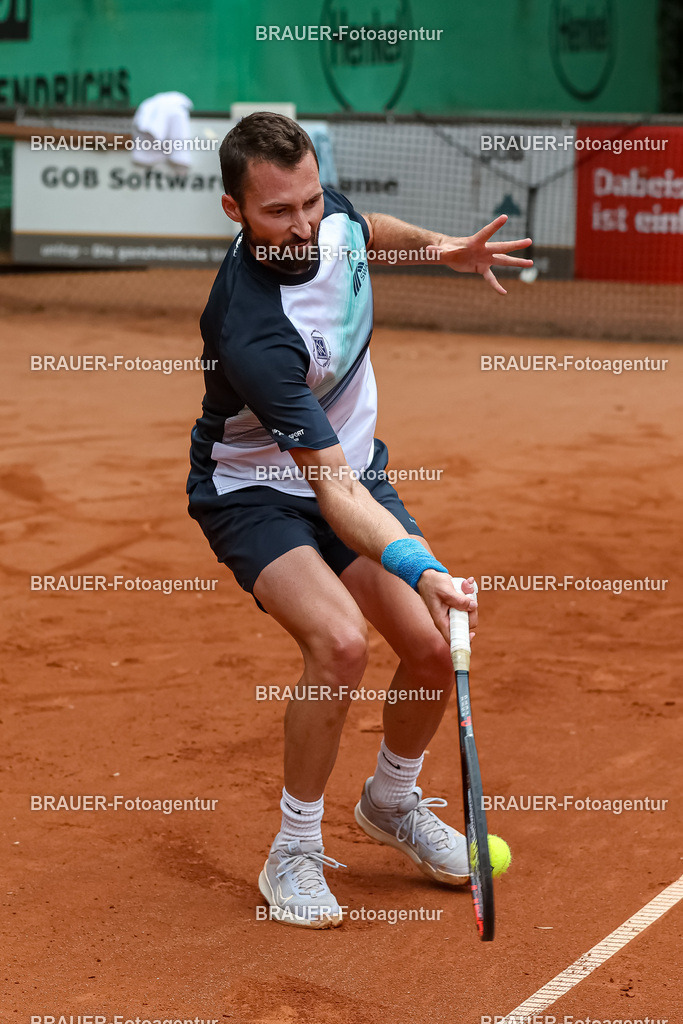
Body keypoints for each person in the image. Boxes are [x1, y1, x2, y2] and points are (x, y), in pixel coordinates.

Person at [187, 112, 532, 928]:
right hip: (256, 491)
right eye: (278, 212)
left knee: (430, 644)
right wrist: (420, 567)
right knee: (340, 643)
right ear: (235, 210)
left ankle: (391, 801)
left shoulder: (325, 216)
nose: (303, 225)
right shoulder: (252, 329)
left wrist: (442, 249)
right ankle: (293, 852)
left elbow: (364, 228)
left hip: (350, 472)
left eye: (309, 201)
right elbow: (334, 495)